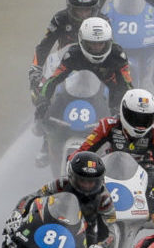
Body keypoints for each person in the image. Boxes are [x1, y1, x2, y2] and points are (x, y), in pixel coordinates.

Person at [0, 151, 115, 248]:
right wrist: (18, 214)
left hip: (83, 233)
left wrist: (100, 246)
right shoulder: (61, 184)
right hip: (51, 221)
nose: (87, 185)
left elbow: (110, 229)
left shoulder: (104, 199)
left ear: (100, 180)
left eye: (91, 182)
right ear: (72, 176)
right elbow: (33, 197)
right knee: (15, 232)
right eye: (82, 180)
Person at [33, 17, 132, 167]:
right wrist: (43, 99)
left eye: (101, 43)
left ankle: (117, 158)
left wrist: (123, 108)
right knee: (50, 110)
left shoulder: (118, 55)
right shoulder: (72, 54)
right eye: (92, 44)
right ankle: (47, 143)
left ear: (109, 42)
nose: (97, 48)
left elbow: (126, 85)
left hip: (107, 93)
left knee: (120, 127)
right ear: (82, 42)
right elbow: (54, 79)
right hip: (77, 91)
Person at [71, 88, 154, 216]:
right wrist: (72, 165)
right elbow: (81, 152)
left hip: (146, 175)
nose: (139, 125)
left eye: (145, 120)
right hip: (111, 171)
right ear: (123, 111)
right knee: (75, 194)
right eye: (134, 118)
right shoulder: (107, 125)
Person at [29, 0, 104, 91]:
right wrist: (36, 69)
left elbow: (111, 47)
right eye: (79, 10)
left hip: (95, 64)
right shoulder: (60, 19)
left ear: (94, 10)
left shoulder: (103, 21)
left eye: (87, 10)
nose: (83, 15)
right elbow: (45, 45)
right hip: (63, 64)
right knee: (40, 91)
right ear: (71, 9)